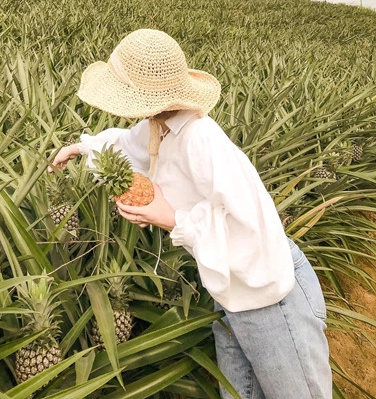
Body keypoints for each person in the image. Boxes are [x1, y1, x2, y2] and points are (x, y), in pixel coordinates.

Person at [50, 28, 332, 399]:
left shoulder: (200, 138)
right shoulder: (159, 127)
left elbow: (251, 224)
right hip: (229, 289)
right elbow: (126, 144)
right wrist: (82, 147)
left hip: (270, 294)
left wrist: (172, 219)